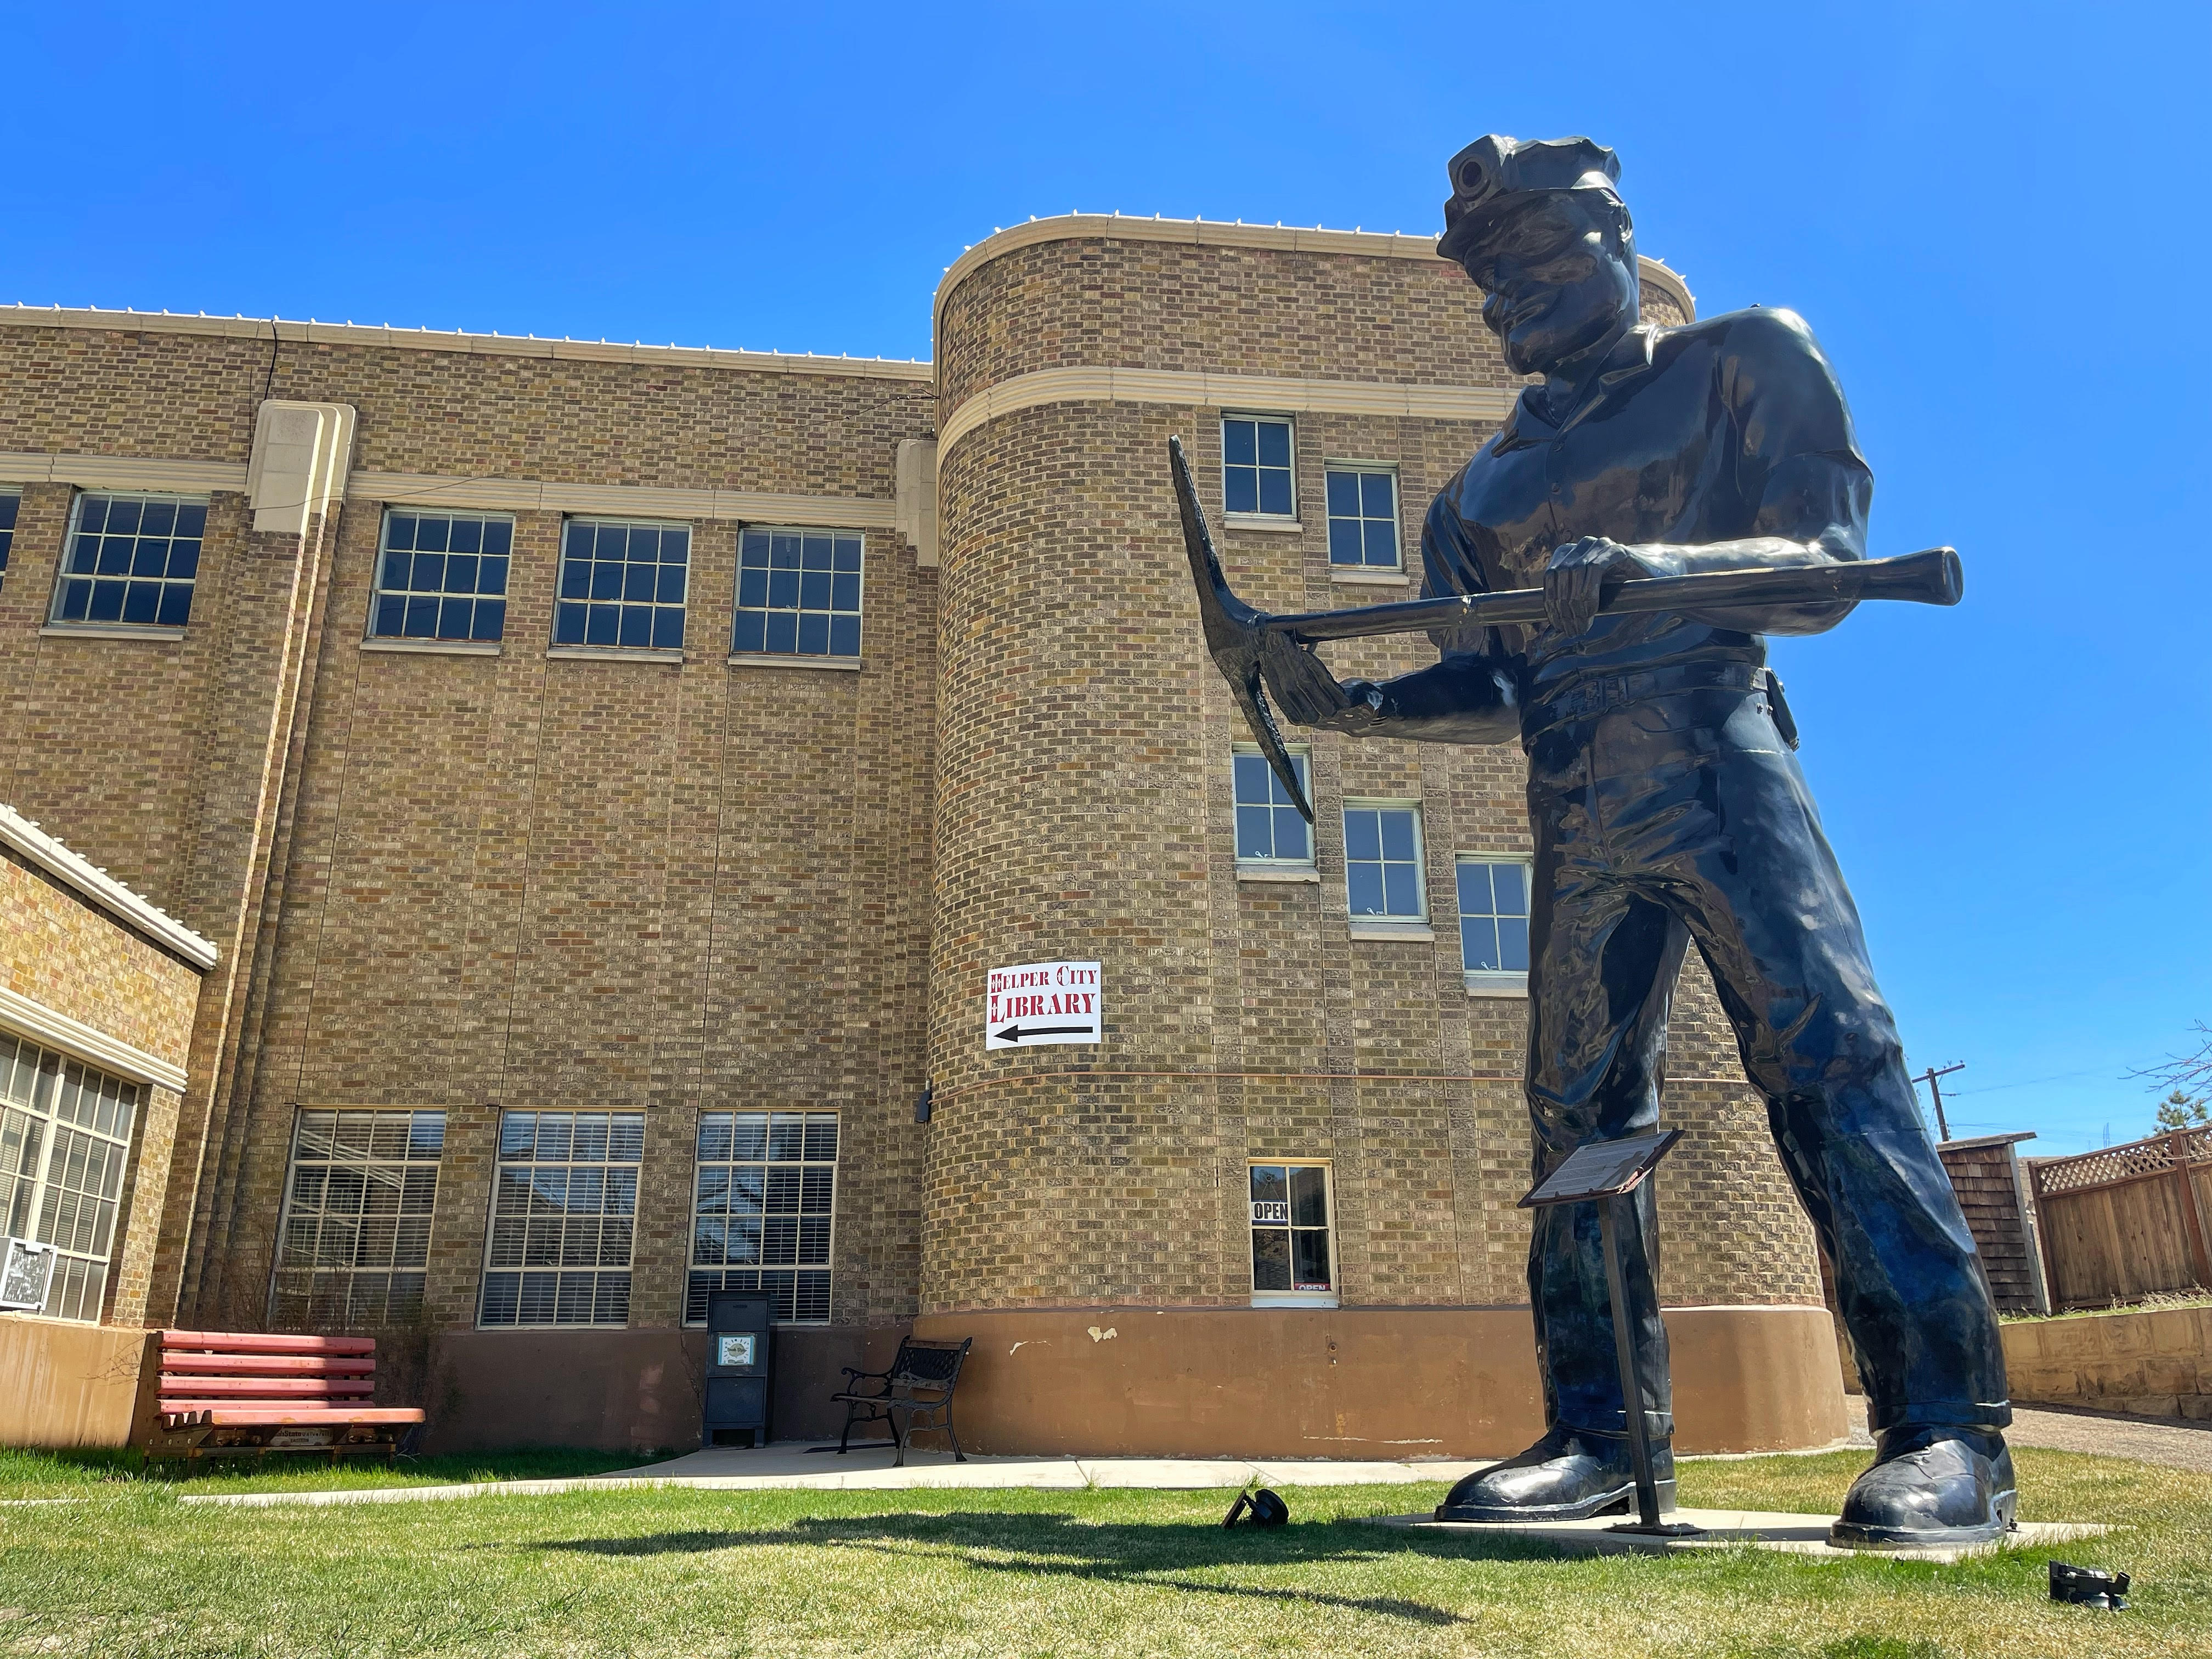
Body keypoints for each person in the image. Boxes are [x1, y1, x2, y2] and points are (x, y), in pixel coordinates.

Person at [1256, 135, 2013, 1547]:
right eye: (1491, 290)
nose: (1513, 306)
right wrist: (1347, 700)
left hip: (1718, 761)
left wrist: (1660, 572)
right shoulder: (1472, 496)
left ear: (1613, 238)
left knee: (1829, 1063)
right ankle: (1599, 1432)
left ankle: (1948, 1427)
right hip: (1573, 812)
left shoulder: (1742, 361)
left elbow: (1828, 558)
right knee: (1577, 1119)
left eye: (1535, 265)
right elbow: (1490, 679)